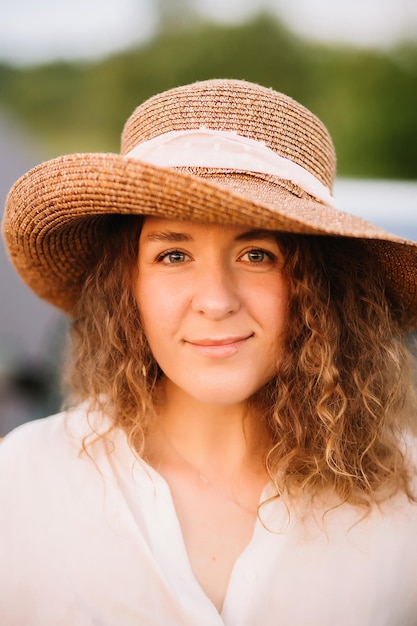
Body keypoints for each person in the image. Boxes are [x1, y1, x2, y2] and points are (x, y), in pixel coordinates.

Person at [1, 78, 417, 625]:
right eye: (174, 255)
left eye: (258, 254)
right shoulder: (22, 483)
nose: (217, 301)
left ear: (319, 286)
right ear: (127, 286)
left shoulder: (405, 498)